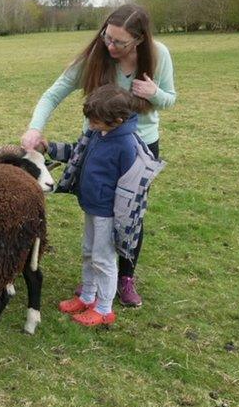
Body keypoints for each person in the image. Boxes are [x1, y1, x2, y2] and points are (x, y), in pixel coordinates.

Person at [21, 4, 176, 306]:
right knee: (98, 212)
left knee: (128, 215)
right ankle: (94, 281)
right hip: (96, 144)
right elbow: (54, 92)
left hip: (138, 149)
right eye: (108, 37)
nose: (111, 45)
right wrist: (35, 129)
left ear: (139, 40)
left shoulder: (160, 55)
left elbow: (170, 100)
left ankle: (125, 278)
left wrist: (154, 93)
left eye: (120, 42)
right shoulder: (96, 57)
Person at [48, 85, 164, 326]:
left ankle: (103, 308)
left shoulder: (127, 146)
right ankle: (87, 297)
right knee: (89, 252)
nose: (90, 125)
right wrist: (47, 147)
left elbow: (131, 188)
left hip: (108, 214)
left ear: (118, 120)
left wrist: (120, 222)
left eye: (96, 121)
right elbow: (75, 152)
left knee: (104, 259)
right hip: (91, 206)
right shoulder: (98, 134)